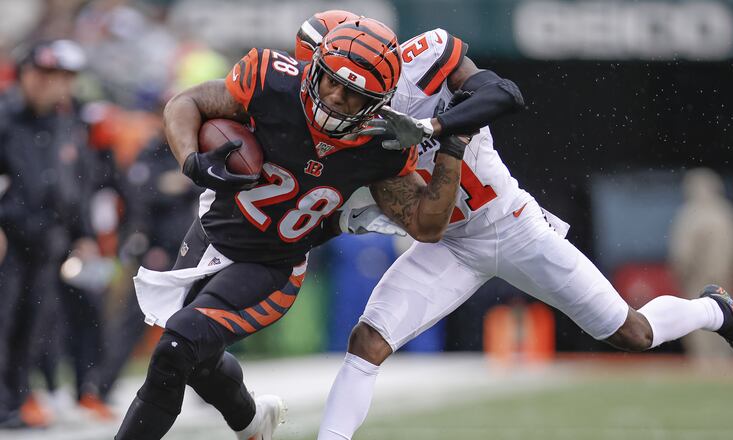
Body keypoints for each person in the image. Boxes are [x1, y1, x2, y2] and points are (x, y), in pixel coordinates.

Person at [294, 11, 733, 440]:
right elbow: (402, 221)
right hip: (447, 243)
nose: (332, 98)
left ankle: (714, 310)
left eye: (347, 86)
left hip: (510, 223)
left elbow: (504, 93)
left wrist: (438, 129)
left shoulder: (427, 57)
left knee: (632, 333)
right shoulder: (340, 134)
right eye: (325, 80)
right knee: (368, 341)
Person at [115, 18, 471, 440]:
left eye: (354, 94)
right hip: (211, 234)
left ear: (378, 102)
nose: (335, 98)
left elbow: (427, 226)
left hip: (272, 267)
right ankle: (252, 423)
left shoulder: (381, 147)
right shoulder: (271, 83)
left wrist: (453, 144)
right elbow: (184, 103)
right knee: (196, 360)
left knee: (176, 347)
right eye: (330, 82)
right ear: (315, 67)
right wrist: (192, 159)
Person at [0, 39, 96, 429]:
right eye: (46, 74)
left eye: (63, 77)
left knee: (32, 325)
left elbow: (77, 182)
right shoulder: (5, 116)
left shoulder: (66, 122)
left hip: (48, 240)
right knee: (2, 323)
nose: (54, 84)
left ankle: (15, 404)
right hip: (7, 238)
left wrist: (83, 234)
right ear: (26, 73)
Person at [669, 168, 733, 361]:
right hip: (725, 280)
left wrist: (681, 274)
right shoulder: (727, 213)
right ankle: (726, 369)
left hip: (699, 281)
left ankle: (704, 370)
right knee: (728, 325)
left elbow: (683, 253)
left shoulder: (691, 214)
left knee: (700, 329)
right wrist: (730, 271)